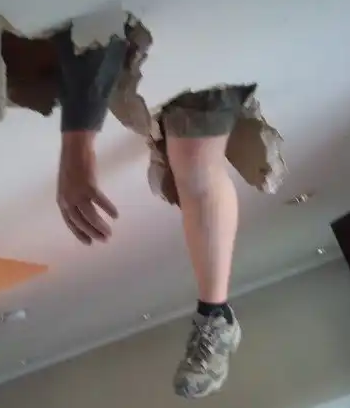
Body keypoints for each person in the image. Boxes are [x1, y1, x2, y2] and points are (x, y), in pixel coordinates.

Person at [52, 27, 250, 399]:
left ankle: (215, 317)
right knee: (189, 158)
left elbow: (98, 21)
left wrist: (77, 143)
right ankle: (217, 316)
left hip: (211, 27)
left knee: (195, 159)